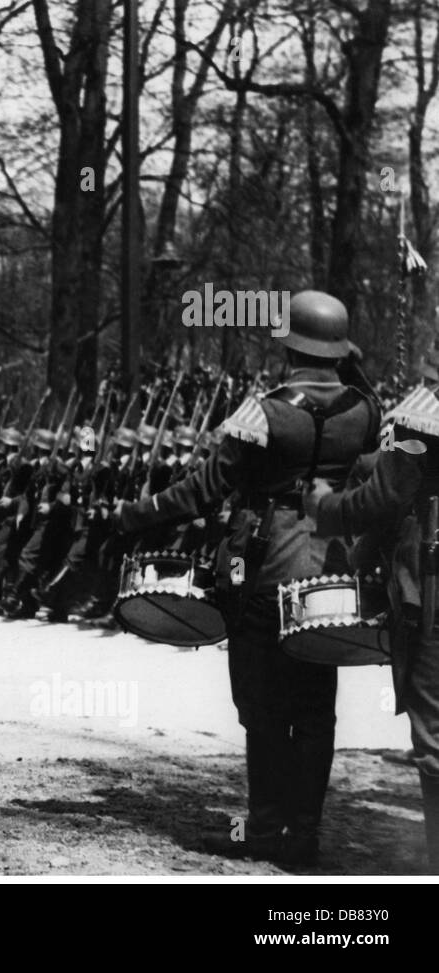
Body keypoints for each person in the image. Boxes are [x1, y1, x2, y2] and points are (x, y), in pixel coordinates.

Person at [115, 290, 379, 866]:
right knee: (315, 710)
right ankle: (304, 837)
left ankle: (263, 831)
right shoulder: (366, 409)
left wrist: (133, 516)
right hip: (330, 568)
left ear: (291, 345)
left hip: (264, 567)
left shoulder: (263, 409)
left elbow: (201, 490)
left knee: (262, 708)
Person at [303, 349, 439, 872]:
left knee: (435, 744)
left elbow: (384, 495)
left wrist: (324, 508)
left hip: (432, 593)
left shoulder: (423, 411)